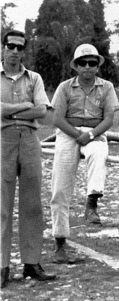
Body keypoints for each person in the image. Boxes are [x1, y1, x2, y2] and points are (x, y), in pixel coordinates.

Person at [50, 44, 119, 264]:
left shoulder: (107, 87)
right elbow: (57, 118)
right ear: (76, 66)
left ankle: (92, 201)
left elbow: (108, 119)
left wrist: (89, 136)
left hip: (94, 132)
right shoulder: (64, 88)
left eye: (92, 63)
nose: (87, 67)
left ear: (98, 66)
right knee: (60, 187)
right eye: (83, 63)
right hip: (67, 133)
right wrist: (76, 135)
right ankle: (60, 242)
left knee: (99, 153)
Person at [1, 30, 57, 288]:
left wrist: (9, 111)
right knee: (2, 204)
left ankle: (32, 262)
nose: (14, 51)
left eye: (19, 47)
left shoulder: (34, 78)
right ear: (3, 48)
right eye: (10, 46)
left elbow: (43, 111)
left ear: (24, 51)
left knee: (32, 203)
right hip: (3, 141)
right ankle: (2, 266)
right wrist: (25, 108)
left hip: (31, 142)